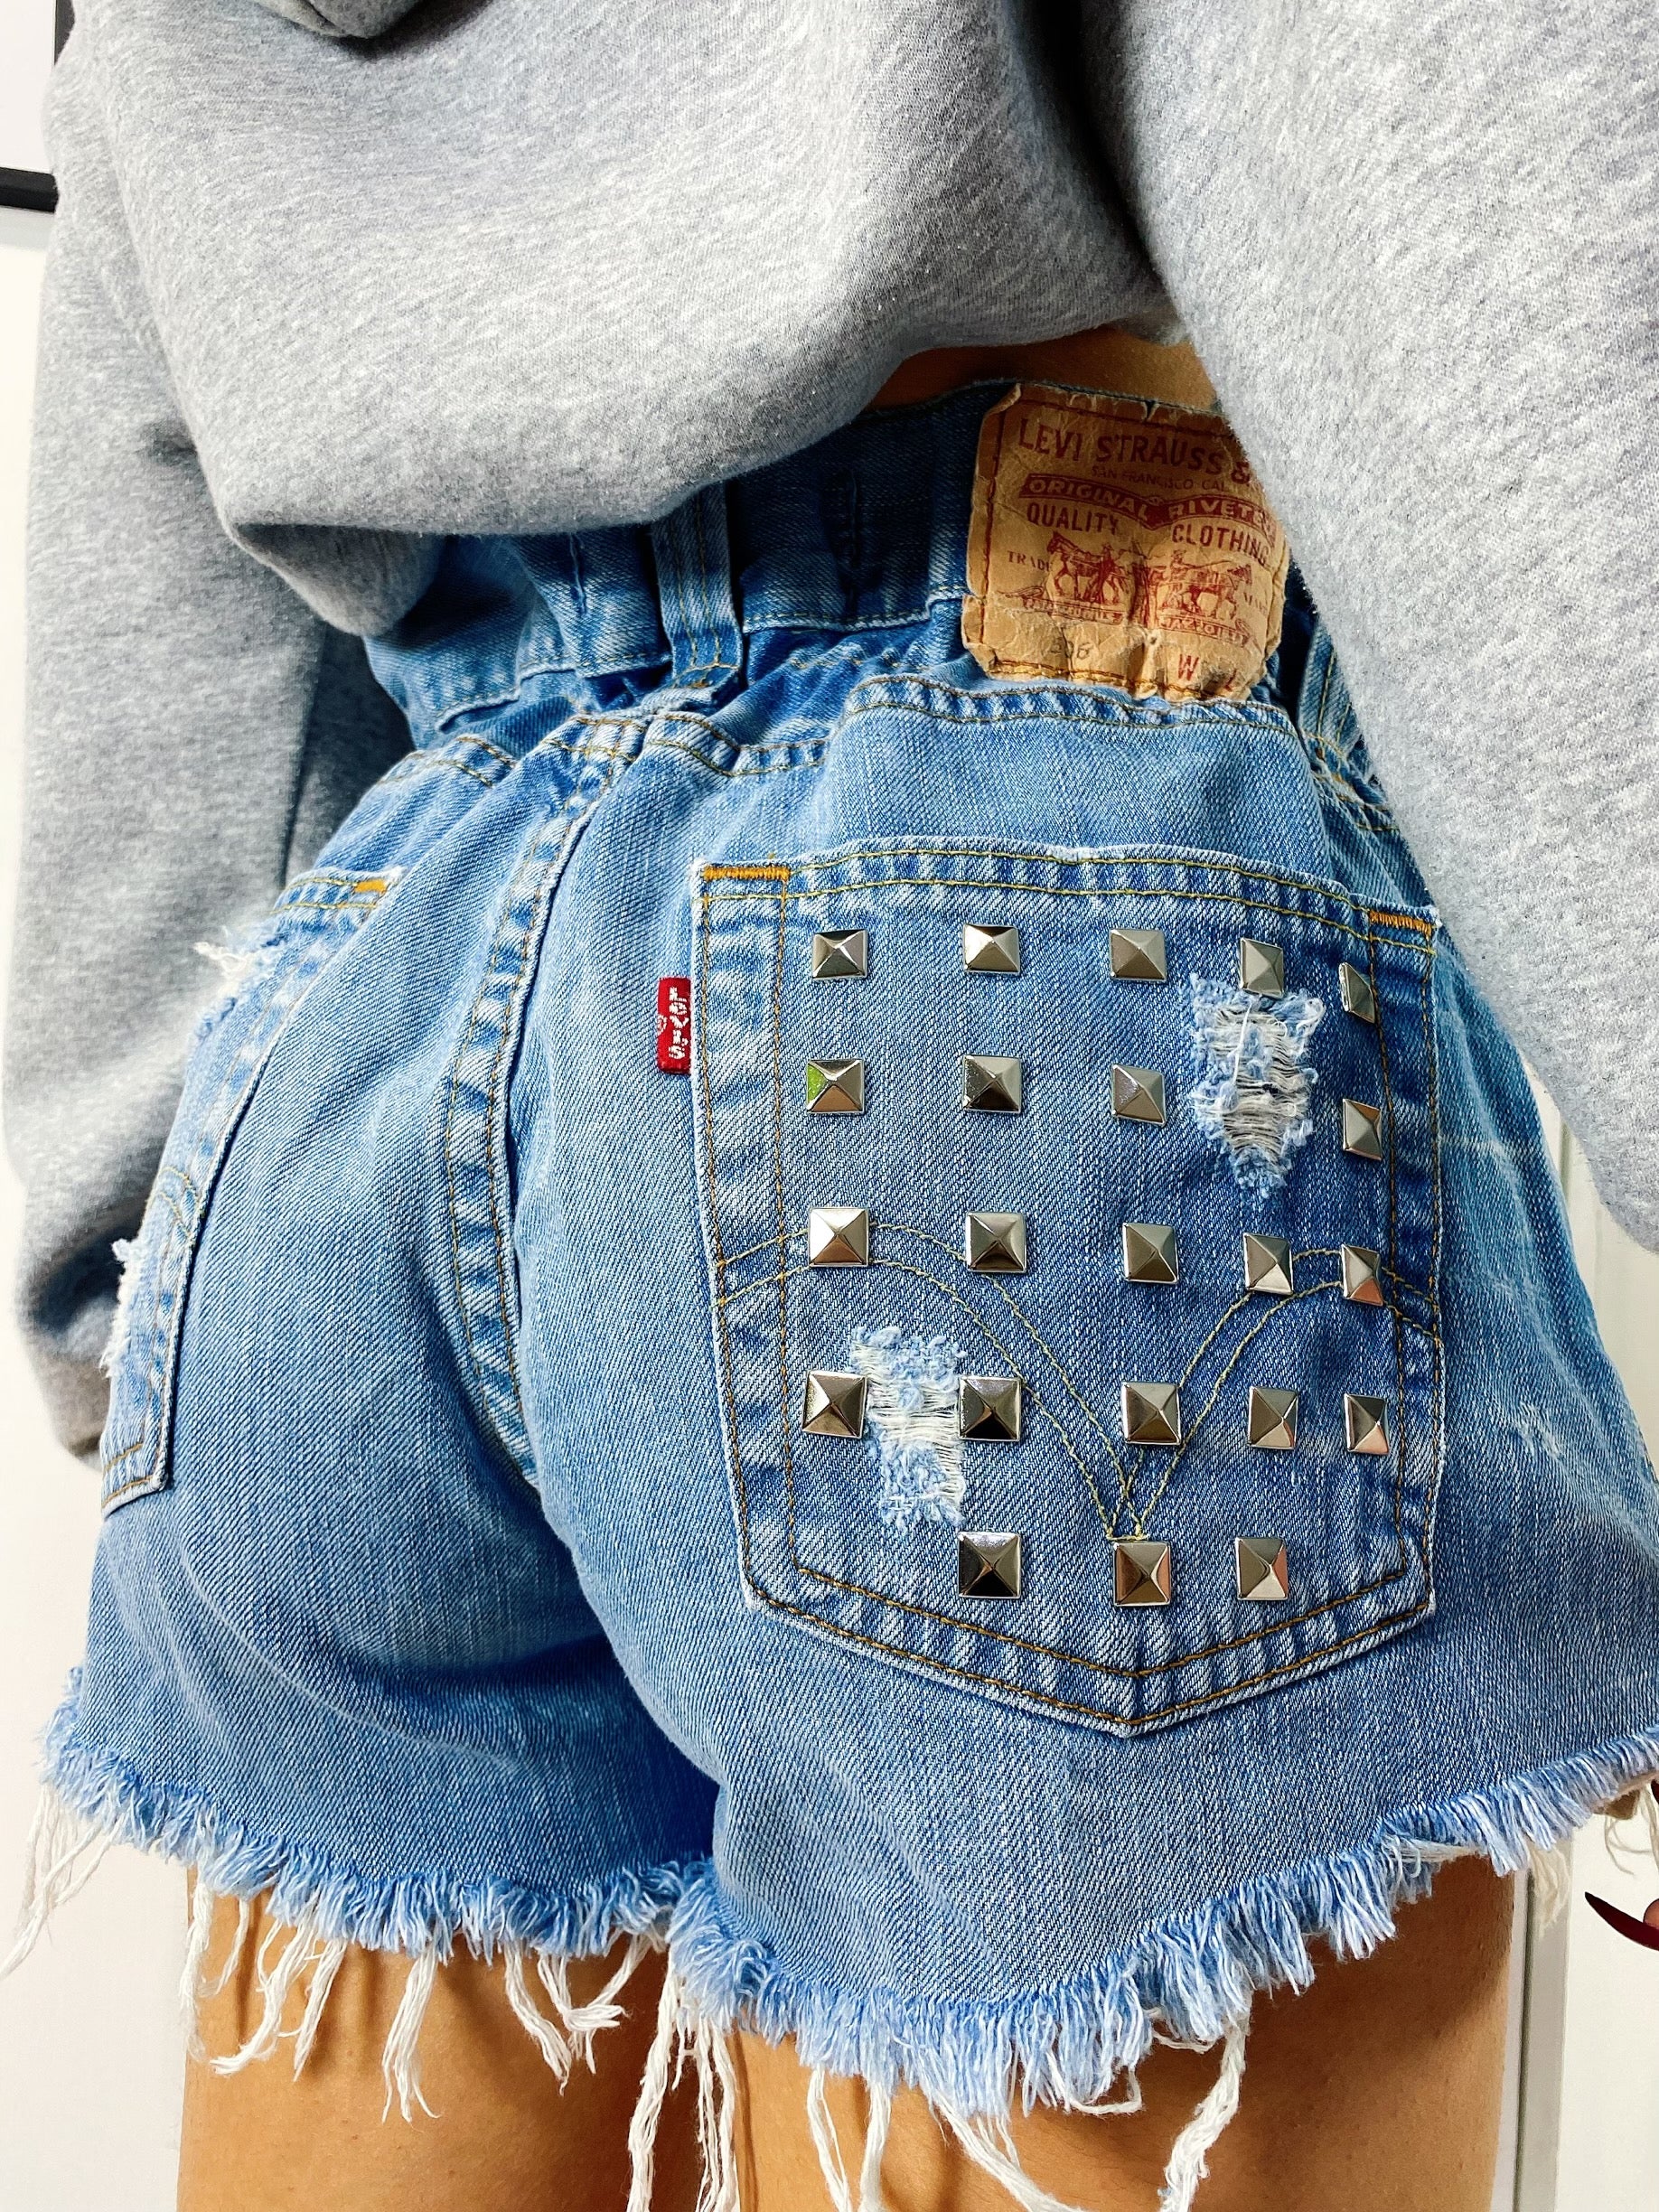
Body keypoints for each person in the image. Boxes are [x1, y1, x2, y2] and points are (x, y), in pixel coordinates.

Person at [6, 5, 1659, 2208]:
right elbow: (1451, 210)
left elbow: (155, 575)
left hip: (368, 1021)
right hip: (1027, 959)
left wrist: (114, 1272)